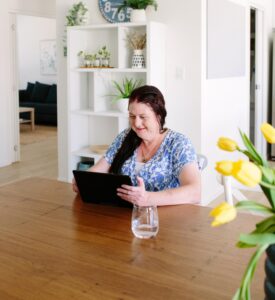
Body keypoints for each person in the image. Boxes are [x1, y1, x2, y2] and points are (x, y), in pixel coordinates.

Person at [73, 85, 201, 206]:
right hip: (123, 214)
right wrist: (82, 180)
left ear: (159, 116)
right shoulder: (125, 137)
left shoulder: (179, 144)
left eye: (143, 117)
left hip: (164, 218)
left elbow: (195, 192)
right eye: (132, 116)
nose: (137, 123)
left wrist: (147, 199)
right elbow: (99, 169)